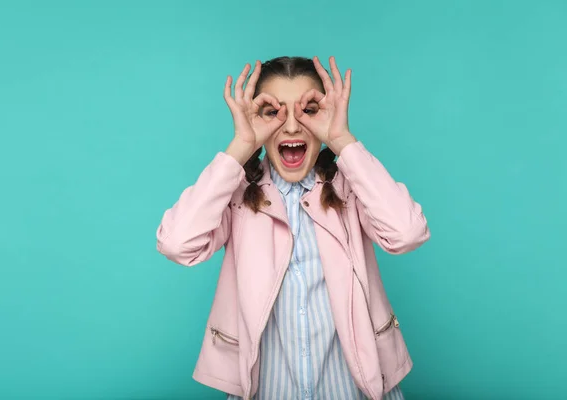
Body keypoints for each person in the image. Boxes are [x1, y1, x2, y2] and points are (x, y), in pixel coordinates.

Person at [156, 55, 430, 400]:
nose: (290, 127)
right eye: (273, 112)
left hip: (355, 389)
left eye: (308, 110)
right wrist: (241, 147)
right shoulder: (237, 195)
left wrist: (342, 139)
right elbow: (177, 243)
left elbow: (406, 233)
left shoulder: (351, 186)